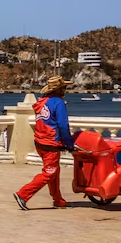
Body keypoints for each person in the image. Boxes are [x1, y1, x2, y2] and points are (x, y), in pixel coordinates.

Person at [14, 75, 76, 210]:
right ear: (58, 90)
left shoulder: (42, 101)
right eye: (63, 88)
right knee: (49, 172)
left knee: (54, 171)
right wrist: (69, 143)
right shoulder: (58, 103)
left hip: (39, 142)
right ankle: (23, 195)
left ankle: (58, 200)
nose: (65, 90)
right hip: (50, 144)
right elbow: (63, 125)